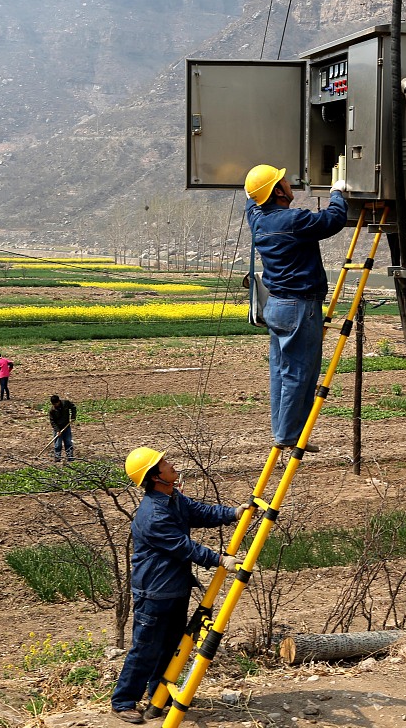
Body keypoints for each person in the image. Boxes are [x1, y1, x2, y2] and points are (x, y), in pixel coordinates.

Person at [110, 447, 244, 723]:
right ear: (155, 476)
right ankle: (123, 701)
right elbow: (182, 546)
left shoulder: (172, 498)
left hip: (174, 587)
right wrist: (220, 560)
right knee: (145, 648)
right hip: (155, 590)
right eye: (164, 463)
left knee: (170, 645)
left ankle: (159, 695)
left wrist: (232, 513)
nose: (170, 465)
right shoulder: (153, 515)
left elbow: (198, 512)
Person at [244, 164, 348, 452]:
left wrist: (253, 189)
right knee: (299, 373)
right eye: (284, 182)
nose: (290, 185)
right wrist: (337, 192)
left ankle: (286, 430)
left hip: (277, 306)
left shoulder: (258, 219)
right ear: (278, 192)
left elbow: (250, 203)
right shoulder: (292, 220)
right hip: (299, 307)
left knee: (281, 372)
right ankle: (289, 435)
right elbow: (333, 220)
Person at [48, 394, 78, 462]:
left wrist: (73, 417)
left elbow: (73, 407)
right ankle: (57, 457)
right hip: (58, 428)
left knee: (68, 442)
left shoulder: (66, 403)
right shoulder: (52, 410)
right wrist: (57, 430)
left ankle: (70, 456)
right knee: (58, 444)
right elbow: (52, 421)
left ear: (59, 401)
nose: (55, 405)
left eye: (56, 403)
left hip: (66, 426)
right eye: (53, 404)